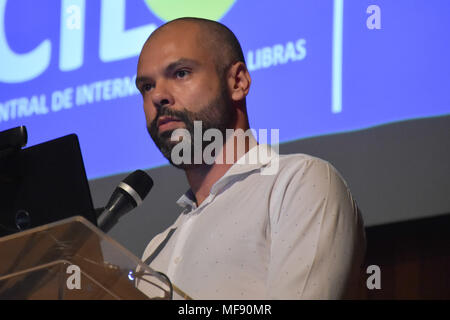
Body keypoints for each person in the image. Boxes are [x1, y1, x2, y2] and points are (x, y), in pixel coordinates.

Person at [135, 17, 365, 299]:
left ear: (238, 82)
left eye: (181, 73)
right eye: (146, 86)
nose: (157, 95)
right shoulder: (154, 252)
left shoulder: (299, 184)